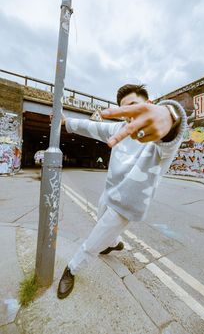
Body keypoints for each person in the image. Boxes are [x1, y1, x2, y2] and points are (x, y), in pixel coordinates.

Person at [57, 84, 187, 299]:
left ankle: (71, 269)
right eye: (125, 109)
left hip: (127, 204)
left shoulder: (157, 137)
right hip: (109, 192)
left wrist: (170, 114)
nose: (130, 115)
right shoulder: (119, 129)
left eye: (134, 106)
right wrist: (66, 122)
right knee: (102, 225)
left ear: (149, 105)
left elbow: (170, 131)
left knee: (94, 241)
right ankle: (113, 243)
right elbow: (90, 127)